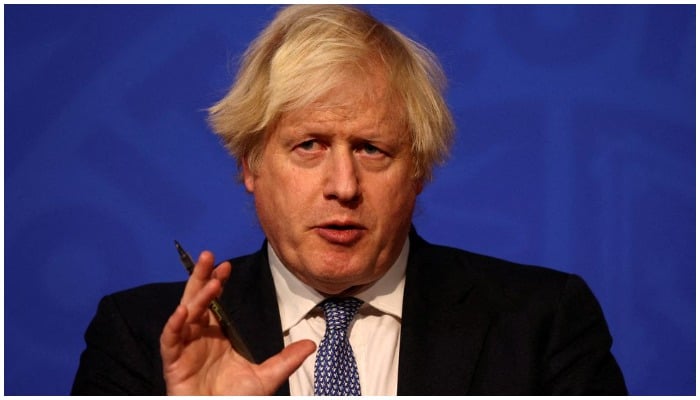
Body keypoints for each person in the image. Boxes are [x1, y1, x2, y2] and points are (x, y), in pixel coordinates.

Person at [71, 5, 627, 395]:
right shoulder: (140, 335)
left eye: (372, 149)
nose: (344, 185)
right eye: (308, 145)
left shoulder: (542, 323)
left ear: (420, 170)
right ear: (250, 164)